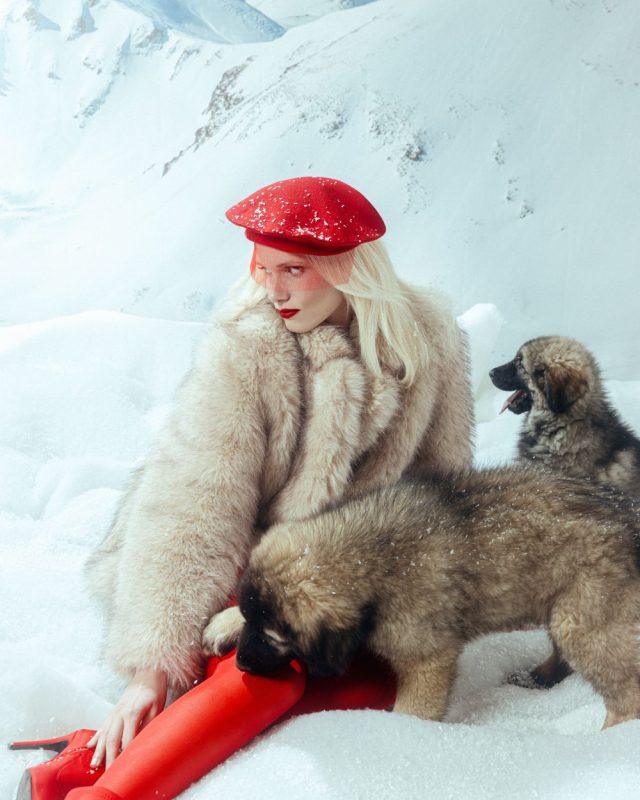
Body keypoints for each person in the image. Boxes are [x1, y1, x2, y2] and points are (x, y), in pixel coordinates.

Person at [13, 176, 474, 800]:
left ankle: (86, 762)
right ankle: (105, 794)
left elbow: (438, 489)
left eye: (293, 270)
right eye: (263, 267)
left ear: (349, 267)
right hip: (236, 565)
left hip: (349, 580)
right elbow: (191, 504)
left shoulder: (426, 337)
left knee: (369, 687)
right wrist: (151, 668)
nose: (273, 289)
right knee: (272, 668)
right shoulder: (249, 351)